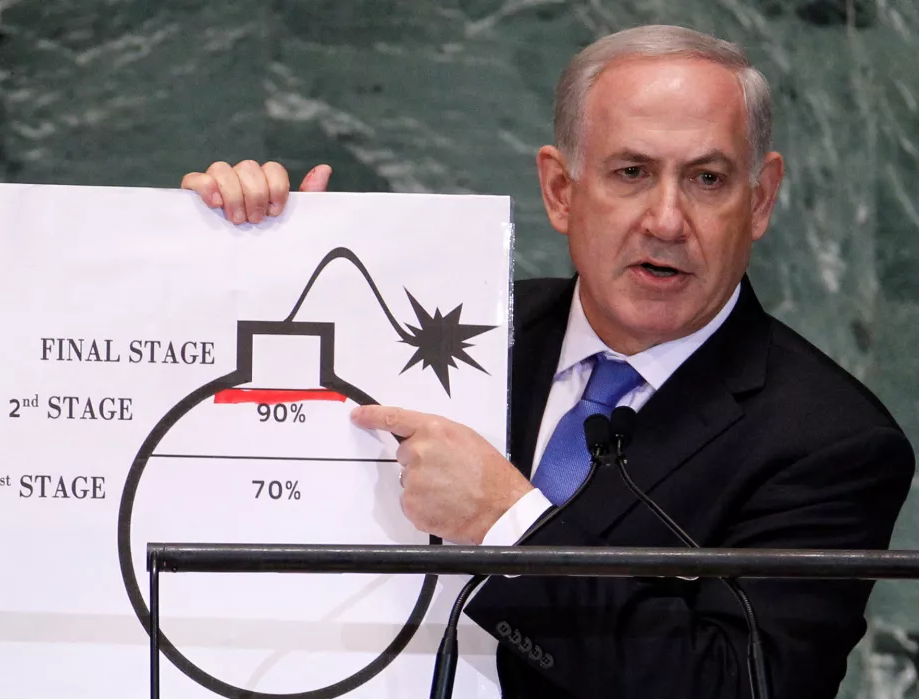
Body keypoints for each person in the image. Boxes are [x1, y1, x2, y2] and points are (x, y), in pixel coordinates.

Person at [180, 25, 915, 699]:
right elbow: (224, 453)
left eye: (708, 179)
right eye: (631, 172)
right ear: (561, 190)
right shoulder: (456, 330)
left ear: (760, 200)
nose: (666, 219)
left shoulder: (832, 441)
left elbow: (735, 687)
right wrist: (239, 260)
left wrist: (512, 527)